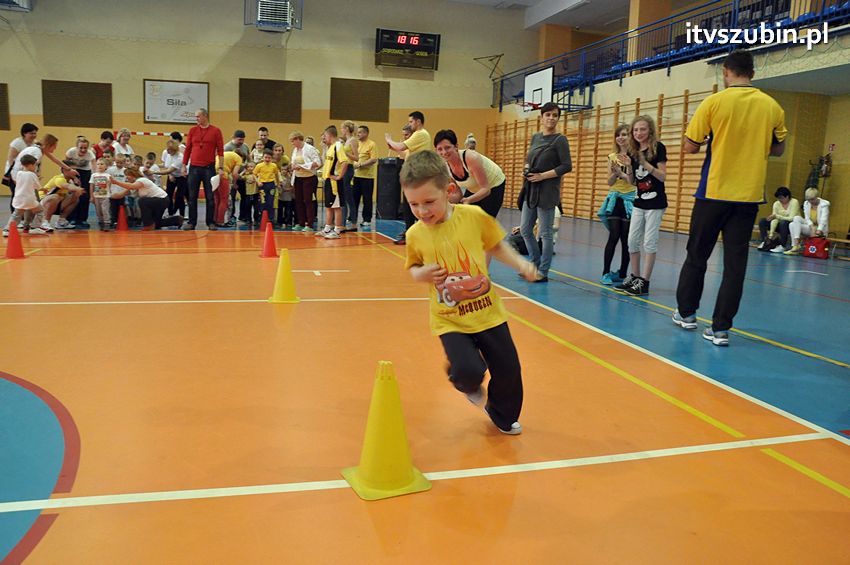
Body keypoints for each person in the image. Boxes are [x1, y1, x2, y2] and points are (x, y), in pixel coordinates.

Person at [401, 150, 538, 435]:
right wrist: (421, 274)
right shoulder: (415, 234)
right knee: (467, 371)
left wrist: (521, 264)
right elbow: (413, 267)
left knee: (509, 370)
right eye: (414, 204)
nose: (422, 211)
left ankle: (501, 413)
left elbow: (496, 246)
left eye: (429, 202)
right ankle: (465, 378)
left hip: (488, 313)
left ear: (449, 190)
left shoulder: (473, 217)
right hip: (449, 318)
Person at [674, 49, 787, 346]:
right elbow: (778, 149)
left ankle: (686, 314)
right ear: (753, 73)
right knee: (735, 265)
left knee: (697, 255)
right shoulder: (772, 106)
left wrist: (714, 139)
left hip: (713, 193)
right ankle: (721, 329)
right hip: (748, 197)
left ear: (726, 72)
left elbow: (690, 146)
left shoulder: (714, 102)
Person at [613, 115, 667, 296]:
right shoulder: (632, 150)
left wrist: (645, 164)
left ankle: (645, 281)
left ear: (650, 130)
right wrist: (628, 167)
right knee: (632, 240)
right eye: (635, 130)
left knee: (649, 242)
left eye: (642, 129)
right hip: (639, 201)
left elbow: (662, 176)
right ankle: (635, 276)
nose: (638, 133)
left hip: (655, 203)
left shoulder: (658, 148)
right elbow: (632, 181)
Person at [519, 102, 572, 283]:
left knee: (546, 232)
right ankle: (534, 263)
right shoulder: (535, 137)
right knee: (525, 229)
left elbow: (566, 166)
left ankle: (543, 271)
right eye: (548, 114)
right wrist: (526, 170)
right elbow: (529, 159)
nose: (551, 118)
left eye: (555, 115)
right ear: (541, 117)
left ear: (558, 118)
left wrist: (543, 176)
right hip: (531, 190)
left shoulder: (560, 140)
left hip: (548, 191)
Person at [434, 129, 506, 218]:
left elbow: (486, 189)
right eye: (440, 149)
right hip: (474, 187)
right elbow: (457, 194)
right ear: (436, 151)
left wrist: (468, 200)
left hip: (493, 185)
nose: (444, 152)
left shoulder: (471, 158)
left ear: (456, 146)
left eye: (447, 147)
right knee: (466, 218)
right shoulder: (445, 167)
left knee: (484, 221)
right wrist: (443, 201)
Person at [597, 125, 636, 285]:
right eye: (618, 135)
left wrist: (623, 173)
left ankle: (622, 272)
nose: (621, 137)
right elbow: (609, 182)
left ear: (630, 137)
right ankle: (605, 272)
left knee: (626, 238)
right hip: (615, 199)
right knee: (614, 235)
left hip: (630, 200)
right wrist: (615, 174)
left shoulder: (635, 156)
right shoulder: (612, 157)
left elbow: (633, 181)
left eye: (624, 134)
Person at [386, 112, 432, 244]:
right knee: (409, 205)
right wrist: (393, 147)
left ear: (418, 121)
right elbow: (404, 151)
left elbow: (401, 146)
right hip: (412, 175)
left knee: (413, 205)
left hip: (417, 175)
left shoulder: (420, 134)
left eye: (411, 122)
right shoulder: (419, 136)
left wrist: (389, 139)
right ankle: (410, 232)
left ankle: (414, 233)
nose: (410, 124)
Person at [182, 108, 224, 230]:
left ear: (205, 116)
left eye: (198, 116)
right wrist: (184, 165)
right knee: (192, 196)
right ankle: (191, 222)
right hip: (194, 168)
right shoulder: (192, 130)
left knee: (210, 197)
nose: (196, 119)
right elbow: (188, 149)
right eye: (196, 117)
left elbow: (220, 151)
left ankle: (210, 222)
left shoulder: (216, 131)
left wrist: (220, 167)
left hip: (209, 168)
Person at [110, 167, 184, 230]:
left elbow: (131, 186)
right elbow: (120, 195)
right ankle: (177, 219)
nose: (126, 178)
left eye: (127, 175)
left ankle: (148, 225)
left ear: (133, 175)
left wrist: (116, 182)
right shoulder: (134, 185)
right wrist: (107, 195)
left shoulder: (142, 180)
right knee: (156, 223)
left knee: (142, 201)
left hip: (161, 200)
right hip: (158, 201)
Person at [3, 155, 51, 236]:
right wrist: (44, 189)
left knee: (16, 215)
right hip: (29, 199)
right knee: (40, 211)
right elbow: (38, 187)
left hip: (18, 199)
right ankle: (35, 227)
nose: (35, 167)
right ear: (31, 165)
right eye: (35, 165)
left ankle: (7, 230)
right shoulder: (32, 175)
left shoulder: (19, 173)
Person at [317, 125, 349, 239]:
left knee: (336, 206)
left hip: (334, 182)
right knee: (329, 206)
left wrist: (339, 176)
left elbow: (345, 162)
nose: (324, 138)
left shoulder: (338, 146)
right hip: (328, 180)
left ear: (330, 135)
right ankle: (327, 228)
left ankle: (337, 230)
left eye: (325, 135)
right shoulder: (330, 147)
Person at [289, 130, 321, 232]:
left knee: (308, 200)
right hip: (298, 178)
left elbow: (317, 163)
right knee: (298, 200)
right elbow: (293, 162)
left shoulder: (310, 149)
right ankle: (301, 222)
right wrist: (293, 166)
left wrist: (302, 166)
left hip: (309, 178)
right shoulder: (295, 150)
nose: (292, 143)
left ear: (298, 139)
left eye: (293, 141)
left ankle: (310, 224)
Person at [3, 123, 39, 213]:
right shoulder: (17, 143)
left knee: (26, 193)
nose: (34, 135)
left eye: (35, 133)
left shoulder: (35, 144)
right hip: (15, 172)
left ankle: (24, 216)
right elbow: (11, 159)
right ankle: (15, 215)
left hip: (27, 172)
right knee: (17, 194)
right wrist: (13, 174)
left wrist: (36, 172)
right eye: (31, 133)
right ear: (24, 133)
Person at [785, 187, 829, 255]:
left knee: (792, 224)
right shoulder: (806, 203)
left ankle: (796, 247)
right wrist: (812, 227)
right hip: (810, 227)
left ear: (817, 197)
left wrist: (819, 230)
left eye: (812, 199)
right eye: (808, 200)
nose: (810, 201)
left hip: (820, 229)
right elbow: (807, 218)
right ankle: (796, 245)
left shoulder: (824, 205)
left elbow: (824, 219)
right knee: (794, 220)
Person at [65, 136, 96, 228]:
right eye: (81, 148)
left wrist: (95, 176)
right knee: (74, 194)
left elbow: (94, 166)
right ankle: (72, 218)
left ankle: (83, 219)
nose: (83, 150)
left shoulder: (90, 154)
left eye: (85, 148)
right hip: (74, 170)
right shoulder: (71, 152)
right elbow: (66, 164)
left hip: (86, 172)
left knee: (84, 195)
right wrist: (72, 176)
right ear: (76, 147)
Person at [41, 161, 84, 229]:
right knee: (55, 197)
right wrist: (77, 188)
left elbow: (75, 191)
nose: (75, 171)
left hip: (57, 202)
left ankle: (61, 221)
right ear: (64, 170)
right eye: (72, 169)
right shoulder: (59, 179)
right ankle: (45, 222)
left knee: (75, 197)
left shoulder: (71, 180)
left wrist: (77, 184)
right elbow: (67, 186)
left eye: (75, 169)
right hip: (42, 202)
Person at [352, 125, 378, 228]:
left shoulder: (372, 144)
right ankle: (352, 217)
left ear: (366, 133)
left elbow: (373, 159)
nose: (358, 134)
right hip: (356, 176)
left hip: (367, 177)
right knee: (354, 198)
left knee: (367, 199)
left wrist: (360, 165)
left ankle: (367, 219)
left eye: (360, 132)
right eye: (357, 132)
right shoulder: (356, 144)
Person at [758, 186, 798, 252]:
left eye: (781, 198)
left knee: (783, 222)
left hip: (790, 226)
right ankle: (765, 242)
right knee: (762, 221)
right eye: (778, 198)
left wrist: (777, 216)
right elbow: (775, 219)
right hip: (779, 225)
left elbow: (792, 218)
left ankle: (782, 245)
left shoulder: (794, 202)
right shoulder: (776, 204)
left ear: (787, 197)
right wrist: (771, 234)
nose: (779, 200)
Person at [224, 130, 250, 224]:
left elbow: (248, 158)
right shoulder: (227, 147)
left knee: (245, 196)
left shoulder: (245, 146)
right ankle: (231, 216)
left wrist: (248, 168)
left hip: (242, 176)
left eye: (243, 140)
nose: (241, 142)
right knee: (232, 197)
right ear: (233, 138)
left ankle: (243, 216)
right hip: (231, 176)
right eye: (239, 140)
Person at [159, 140, 187, 217]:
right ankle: (170, 212)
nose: (167, 151)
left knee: (179, 196)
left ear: (174, 150)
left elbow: (170, 169)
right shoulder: (168, 154)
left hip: (181, 176)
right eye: (167, 149)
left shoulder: (180, 157)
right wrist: (170, 175)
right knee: (169, 194)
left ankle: (181, 213)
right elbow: (167, 166)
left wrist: (154, 172)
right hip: (172, 174)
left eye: (170, 150)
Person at [340, 120, 359, 230]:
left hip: (349, 169)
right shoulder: (346, 141)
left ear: (346, 129)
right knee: (344, 196)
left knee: (347, 197)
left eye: (342, 128)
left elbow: (356, 157)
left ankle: (353, 223)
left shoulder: (353, 140)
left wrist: (345, 153)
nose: (341, 130)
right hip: (344, 167)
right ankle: (343, 223)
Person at [254, 149, 281, 223]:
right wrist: (258, 182)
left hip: (271, 184)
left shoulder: (274, 165)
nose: (267, 159)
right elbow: (254, 174)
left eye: (269, 158)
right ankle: (262, 218)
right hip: (262, 185)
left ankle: (270, 218)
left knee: (270, 201)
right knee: (262, 201)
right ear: (263, 157)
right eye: (265, 157)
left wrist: (278, 183)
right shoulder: (259, 166)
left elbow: (276, 175)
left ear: (272, 158)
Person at [89, 158, 113, 231]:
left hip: (105, 196)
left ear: (106, 166)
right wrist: (91, 196)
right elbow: (91, 186)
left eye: (102, 164)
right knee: (98, 211)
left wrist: (109, 193)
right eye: (98, 164)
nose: (100, 166)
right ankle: (101, 222)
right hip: (96, 196)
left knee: (105, 210)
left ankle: (107, 223)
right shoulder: (94, 175)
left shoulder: (108, 175)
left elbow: (110, 186)